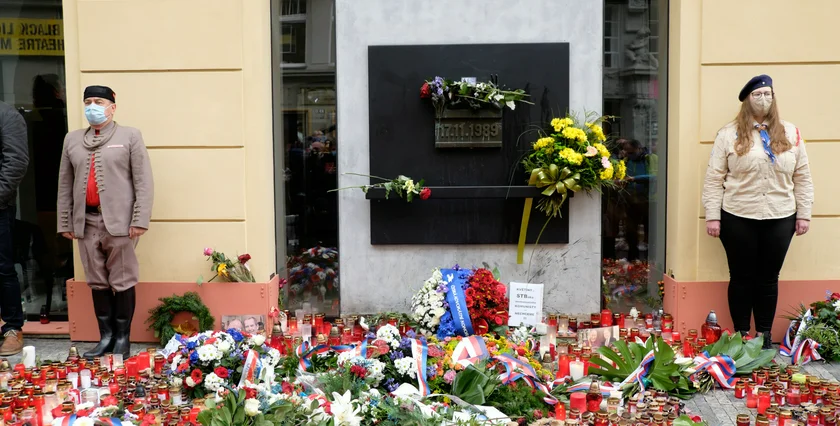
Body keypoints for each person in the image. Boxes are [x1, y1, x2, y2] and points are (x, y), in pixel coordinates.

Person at [702, 75, 814, 349]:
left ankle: (764, 336)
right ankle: (741, 335)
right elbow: (714, 177)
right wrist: (713, 215)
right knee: (741, 277)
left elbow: (802, 176)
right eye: (757, 94)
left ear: (774, 98)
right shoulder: (728, 134)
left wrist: (804, 213)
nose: (763, 99)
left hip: (780, 215)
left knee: (768, 278)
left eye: (767, 94)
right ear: (746, 100)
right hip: (738, 215)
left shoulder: (791, 133)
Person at [57, 86, 154, 358]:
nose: (92, 107)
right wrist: (65, 222)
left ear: (112, 107)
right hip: (85, 221)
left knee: (122, 279)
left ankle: (123, 337)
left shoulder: (130, 136)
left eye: (98, 101)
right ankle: (106, 336)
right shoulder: (72, 140)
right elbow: (65, 184)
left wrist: (139, 219)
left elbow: (143, 182)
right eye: (88, 101)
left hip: (120, 222)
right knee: (97, 280)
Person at [0, 100, 29, 355]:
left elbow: (16, 162)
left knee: (3, 270)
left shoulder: (6, 114)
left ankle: (12, 328)